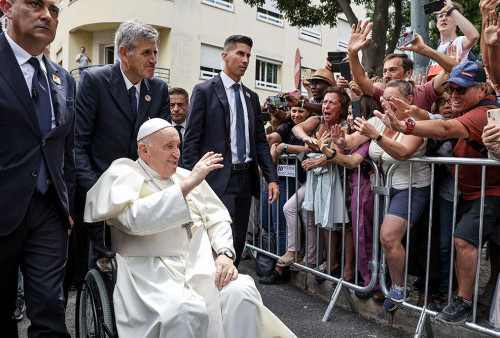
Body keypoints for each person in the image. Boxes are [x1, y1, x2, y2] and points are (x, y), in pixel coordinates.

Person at [84, 118, 295, 338]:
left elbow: (217, 218)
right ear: (144, 150)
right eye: (169, 147)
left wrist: (224, 253)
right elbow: (133, 221)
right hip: (148, 270)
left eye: (177, 146)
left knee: (241, 293)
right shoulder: (123, 175)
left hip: (200, 263)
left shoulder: (185, 176)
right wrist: (188, 184)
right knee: (184, 312)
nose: (177, 154)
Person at [377, 61, 500, 324]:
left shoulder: (485, 111)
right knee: (457, 242)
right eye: (451, 89)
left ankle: (464, 301)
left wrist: (404, 126)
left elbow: (445, 129)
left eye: (461, 90)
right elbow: (440, 120)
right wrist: (413, 112)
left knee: (463, 241)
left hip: (489, 192)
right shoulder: (469, 109)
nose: (453, 95)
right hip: (468, 193)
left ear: (483, 89)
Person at [0, 0, 76, 336]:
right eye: (35, 4)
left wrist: (67, 204)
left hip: (49, 212)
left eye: (54, 9)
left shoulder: (63, 78)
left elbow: (65, 149)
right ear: (6, 7)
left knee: (49, 310)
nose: (47, 14)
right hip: (3, 205)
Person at [75, 19, 170, 269]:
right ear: (123, 53)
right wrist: (96, 190)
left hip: (142, 199)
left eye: (155, 53)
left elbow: (163, 146)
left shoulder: (159, 90)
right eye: (146, 52)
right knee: (105, 266)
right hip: (102, 193)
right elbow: (78, 145)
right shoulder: (94, 82)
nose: (154, 59)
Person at [331, 80, 431, 311]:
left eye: (393, 99)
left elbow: (403, 152)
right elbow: (351, 141)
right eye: (384, 99)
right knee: (384, 239)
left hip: (412, 188)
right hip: (386, 189)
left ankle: (399, 286)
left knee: (388, 237)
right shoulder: (376, 120)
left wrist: (376, 136)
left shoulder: (417, 123)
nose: (386, 103)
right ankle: (390, 283)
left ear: (409, 101)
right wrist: (340, 141)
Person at [183, 35, 279, 266]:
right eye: (240, 54)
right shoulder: (204, 91)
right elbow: (191, 140)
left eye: (248, 55)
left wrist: (272, 178)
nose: (246, 60)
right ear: (225, 56)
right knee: (214, 237)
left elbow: (260, 142)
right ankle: (209, 289)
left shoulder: (251, 97)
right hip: (216, 177)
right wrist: (188, 181)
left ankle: (229, 285)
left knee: (237, 240)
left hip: (245, 178)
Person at [317, 95, 384, 301]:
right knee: (359, 234)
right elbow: (343, 149)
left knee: (363, 235)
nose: (349, 118)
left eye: (352, 114)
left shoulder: (366, 140)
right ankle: (367, 279)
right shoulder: (353, 136)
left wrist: (327, 152)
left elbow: (351, 162)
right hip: (356, 187)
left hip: (365, 187)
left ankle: (369, 282)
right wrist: (335, 144)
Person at [292, 87, 354, 282]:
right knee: (322, 219)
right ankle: (329, 261)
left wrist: (317, 161)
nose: (326, 106)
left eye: (332, 103)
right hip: (319, 179)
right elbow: (296, 128)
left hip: (341, 179)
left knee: (339, 222)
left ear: (342, 109)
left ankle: (343, 266)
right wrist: (306, 138)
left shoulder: (344, 126)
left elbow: (338, 154)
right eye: (324, 102)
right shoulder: (318, 120)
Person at [347, 19, 457, 113]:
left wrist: (424, 49)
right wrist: (352, 53)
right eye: (384, 71)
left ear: (408, 72)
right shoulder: (381, 94)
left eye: (393, 70)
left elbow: (451, 70)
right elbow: (361, 79)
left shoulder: (423, 92)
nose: (387, 75)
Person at [259, 102, 313, 284]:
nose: (297, 114)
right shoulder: (287, 127)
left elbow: (310, 148)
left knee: (282, 223)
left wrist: (283, 147)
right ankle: (273, 261)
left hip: (297, 180)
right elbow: (271, 138)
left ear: (309, 113)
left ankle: (280, 269)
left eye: (301, 111)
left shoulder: (310, 128)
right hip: (278, 178)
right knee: (267, 222)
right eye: (294, 111)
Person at [427, 0, 479, 80]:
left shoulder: (459, 42)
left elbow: (473, 36)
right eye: (440, 16)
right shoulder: (437, 49)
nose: (443, 19)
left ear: (457, 21)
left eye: (448, 15)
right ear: (437, 24)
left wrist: (452, 9)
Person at [169, 87, 189, 167]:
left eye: (180, 105)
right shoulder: (161, 130)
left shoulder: (196, 129)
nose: (176, 109)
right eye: (172, 105)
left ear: (188, 105)